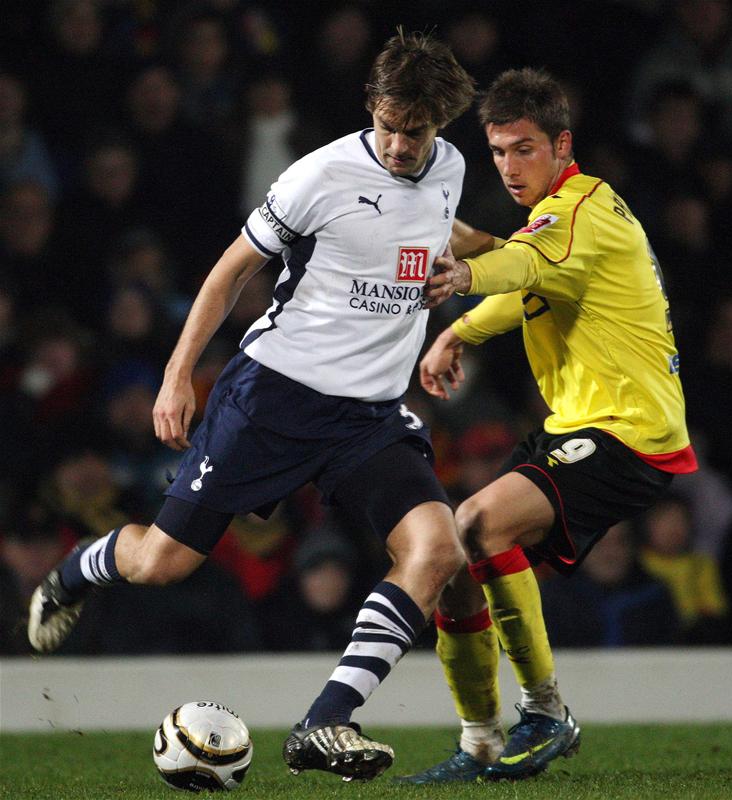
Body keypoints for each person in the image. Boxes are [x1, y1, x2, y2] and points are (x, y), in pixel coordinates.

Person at [27, 30, 476, 782]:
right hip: (272, 400)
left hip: (364, 418)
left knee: (436, 549)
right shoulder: (321, 175)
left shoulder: (451, 170)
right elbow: (229, 272)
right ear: (372, 107)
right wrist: (178, 376)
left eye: (416, 131)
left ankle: (324, 722)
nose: (399, 145)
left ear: (442, 126)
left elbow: (450, 232)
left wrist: (476, 268)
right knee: (164, 563)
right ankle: (80, 568)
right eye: (389, 125)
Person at [401, 67, 698, 783]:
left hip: (629, 431)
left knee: (473, 522)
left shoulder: (580, 211)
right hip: (584, 427)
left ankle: (544, 711)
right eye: (498, 151)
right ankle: (479, 743)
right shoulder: (562, 215)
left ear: (562, 145)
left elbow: (520, 266)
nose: (508, 166)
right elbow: (534, 280)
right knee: (456, 565)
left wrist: (462, 283)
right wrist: (460, 334)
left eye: (524, 148)